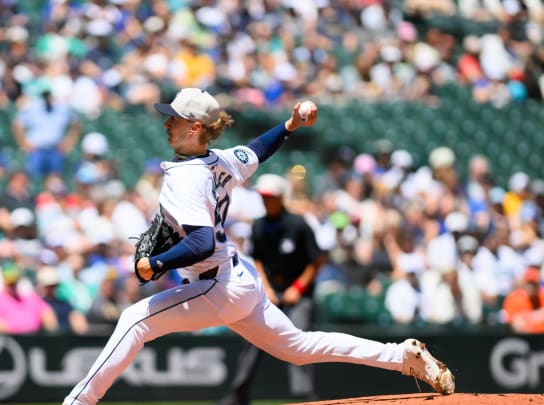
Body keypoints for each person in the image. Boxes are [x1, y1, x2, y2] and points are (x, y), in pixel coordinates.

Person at [62, 88, 455, 405]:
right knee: (299, 347)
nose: (167, 123)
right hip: (238, 278)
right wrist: (290, 124)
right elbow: (258, 149)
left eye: (175, 119)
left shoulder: (186, 178)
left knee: (135, 318)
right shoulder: (219, 160)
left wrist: (157, 262)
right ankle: (402, 357)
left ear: (195, 127)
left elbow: (199, 242)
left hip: (218, 284)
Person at [215, 173, 327, 405]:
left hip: (298, 292)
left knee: (300, 338)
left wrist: (296, 288)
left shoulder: (298, 224)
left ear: (280, 197)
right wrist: (265, 288)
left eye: (270, 197)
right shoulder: (259, 225)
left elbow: (316, 261)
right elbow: (257, 260)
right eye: (263, 197)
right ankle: (239, 395)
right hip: (269, 291)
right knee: (252, 336)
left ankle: (306, 397)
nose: (266, 201)